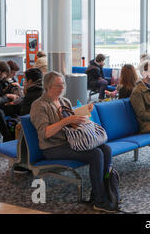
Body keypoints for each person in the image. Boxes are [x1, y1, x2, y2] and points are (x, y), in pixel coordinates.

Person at [30, 71, 116, 213]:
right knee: (96, 154)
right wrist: (67, 120)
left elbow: (73, 124)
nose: (62, 87)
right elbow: (45, 133)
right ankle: (100, 200)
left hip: (70, 142)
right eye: (59, 85)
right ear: (48, 87)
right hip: (52, 147)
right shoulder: (39, 105)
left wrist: (84, 112)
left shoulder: (64, 101)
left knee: (106, 149)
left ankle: (103, 192)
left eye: (63, 84)